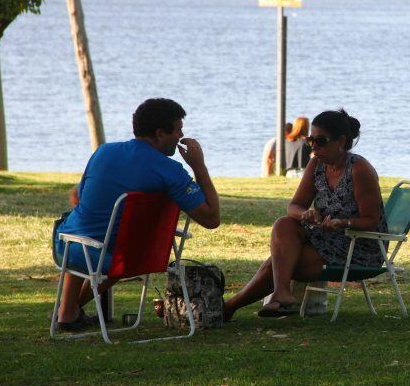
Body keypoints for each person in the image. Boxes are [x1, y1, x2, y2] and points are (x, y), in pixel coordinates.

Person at [53, 98, 220, 331]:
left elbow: (78, 197)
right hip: (132, 257)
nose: (181, 135)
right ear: (161, 133)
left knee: (76, 225)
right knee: (109, 238)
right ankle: (69, 311)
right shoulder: (171, 172)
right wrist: (199, 166)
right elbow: (212, 219)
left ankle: (67, 311)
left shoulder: (103, 153)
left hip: (76, 250)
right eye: (178, 129)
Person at [223, 109, 387, 319]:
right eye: (311, 140)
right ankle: (279, 295)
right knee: (284, 224)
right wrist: (305, 214)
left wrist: (342, 223)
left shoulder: (359, 169)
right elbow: (294, 206)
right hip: (325, 239)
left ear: (341, 141)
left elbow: (371, 221)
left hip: (358, 244)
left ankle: (231, 307)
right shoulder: (316, 164)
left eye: (320, 141)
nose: (314, 147)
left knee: (282, 262)